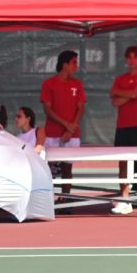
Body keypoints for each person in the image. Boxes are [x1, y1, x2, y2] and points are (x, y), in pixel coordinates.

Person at [109, 45, 137, 215]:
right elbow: (115, 101)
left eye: (135, 57)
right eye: (129, 57)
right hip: (122, 127)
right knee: (122, 164)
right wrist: (130, 94)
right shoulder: (120, 79)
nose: (132, 60)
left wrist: (124, 95)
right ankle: (125, 201)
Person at [41, 49, 86, 194]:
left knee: (67, 169)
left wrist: (70, 130)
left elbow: (80, 108)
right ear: (64, 64)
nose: (76, 66)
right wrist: (67, 125)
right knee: (49, 170)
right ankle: (49, 201)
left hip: (72, 134)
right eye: (73, 63)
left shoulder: (77, 84)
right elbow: (47, 109)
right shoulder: (49, 84)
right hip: (52, 133)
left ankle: (66, 199)